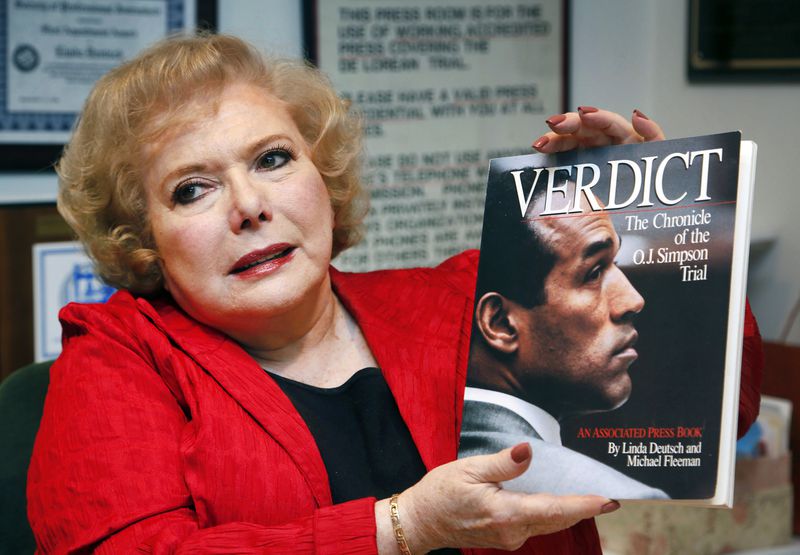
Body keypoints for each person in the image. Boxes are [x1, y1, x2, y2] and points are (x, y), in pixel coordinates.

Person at [26, 34, 762, 554]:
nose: (248, 205)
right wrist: (400, 528)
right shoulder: (121, 355)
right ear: (143, 236)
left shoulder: (459, 299)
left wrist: (663, 224)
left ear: (325, 179)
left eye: (274, 158)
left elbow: (725, 411)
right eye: (193, 189)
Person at [459, 182, 668, 499]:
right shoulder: (622, 499)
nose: (633, 300)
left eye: (616, 263)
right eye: (594, 272)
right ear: (501, 324)